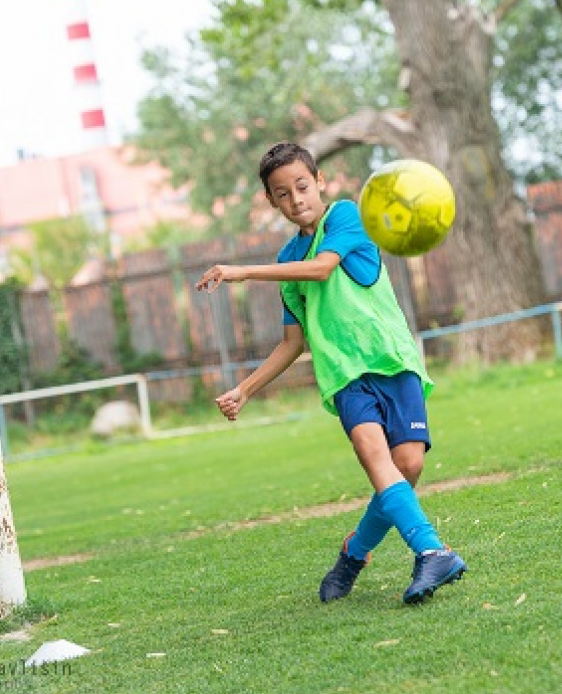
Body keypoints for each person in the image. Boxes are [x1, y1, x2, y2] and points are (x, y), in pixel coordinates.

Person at [196, 141, 466, 604]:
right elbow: (293, 343)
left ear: (319, 182)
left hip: (393, 360)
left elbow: (322, 270)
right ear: (271, 201)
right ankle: (431, 551)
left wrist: (241, 272)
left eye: (302, 186)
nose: (296, 199)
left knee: (407, 467)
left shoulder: (346, 216)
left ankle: (353, 554)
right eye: (282, 194)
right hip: (344, 375)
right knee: (375, 456)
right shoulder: (286, 259)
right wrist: (245, 389)